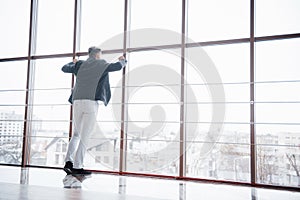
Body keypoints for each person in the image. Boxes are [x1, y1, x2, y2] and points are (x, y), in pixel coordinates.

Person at [61, 46, 126, 175]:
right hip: (90, 102)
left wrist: (73, 62)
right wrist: (123, 60)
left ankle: (68, 161)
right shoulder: (100, 63)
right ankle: (77, 166)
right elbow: (117, 67)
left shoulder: (80, 64)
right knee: (85, 136)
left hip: (77, 101)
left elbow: (64, 68)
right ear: (97, 55)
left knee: (76, 134)